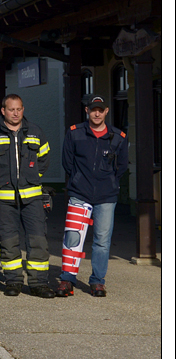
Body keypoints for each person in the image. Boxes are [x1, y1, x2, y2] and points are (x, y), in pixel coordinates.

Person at [0, 94, 56, 298]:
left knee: (38, 240)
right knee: (8, 241)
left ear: (23, 110)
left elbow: (44, 159)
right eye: (11, 109)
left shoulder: (35, 132)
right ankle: (13, 281)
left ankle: (39, 283)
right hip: (3, 199)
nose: (16, 113)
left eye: (19, 109)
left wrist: (31, 178)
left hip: (32, 198)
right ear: (3, 111)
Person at [59, 95, 128, 297]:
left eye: (100, 110)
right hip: (80, 193)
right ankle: (67, 279)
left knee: (102, 241)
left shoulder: (118, 137)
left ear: (106, 111)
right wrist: (79, 180)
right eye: (93, 109)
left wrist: (109, 182)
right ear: (87, 110)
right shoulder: (75, 133)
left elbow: (122, 166)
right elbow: (67, 162)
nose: (97, 113)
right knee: (73, 237)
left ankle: (97, 281)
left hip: (106, 196)